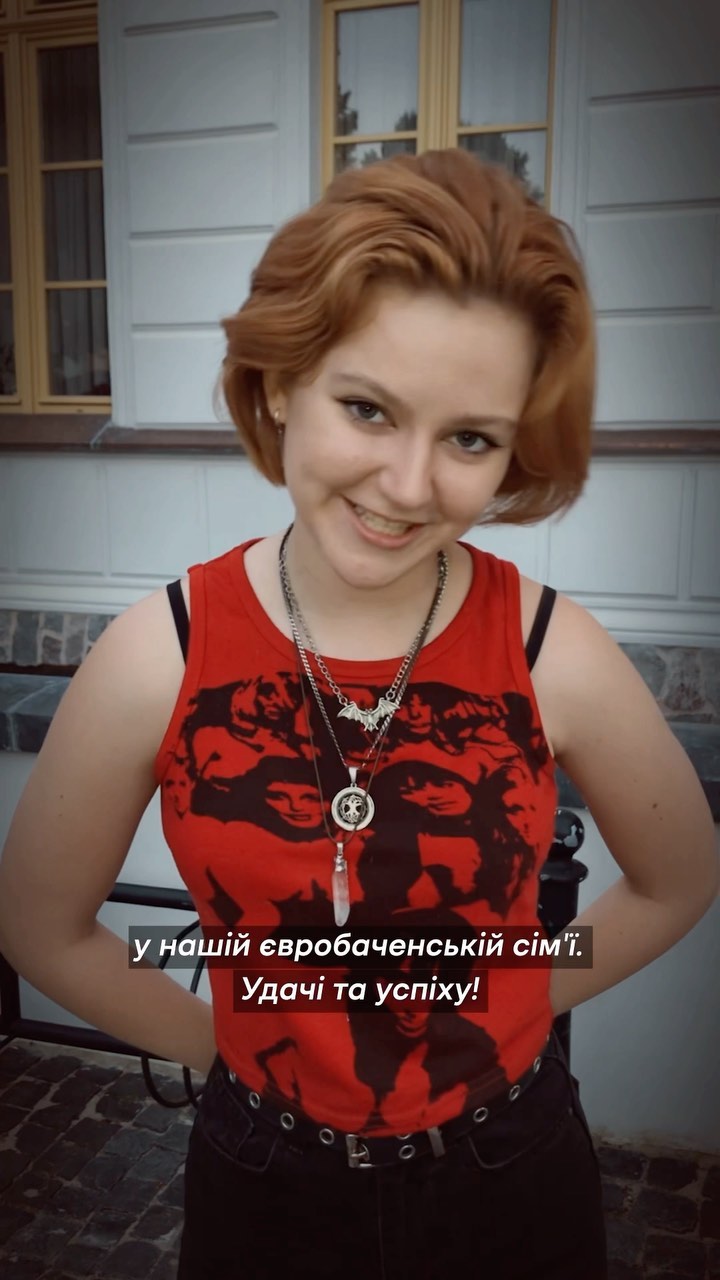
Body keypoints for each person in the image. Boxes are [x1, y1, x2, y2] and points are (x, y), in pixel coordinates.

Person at [0, 149, 717, 1280]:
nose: (409, 485)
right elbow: (41, 923)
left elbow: (680, 876)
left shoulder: (552, 650)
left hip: (509, 1177)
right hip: (262, 1184)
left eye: (470, 437)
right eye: (368, 408)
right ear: (283, 380)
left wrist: (515, 986)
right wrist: (233, 1044)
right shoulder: (159, 653)